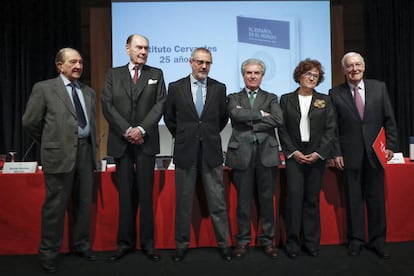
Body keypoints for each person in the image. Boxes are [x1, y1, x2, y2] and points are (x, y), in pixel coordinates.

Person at [22, 48, 98, 273]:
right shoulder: (44, 88)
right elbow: (29, 122)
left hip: (85, 153)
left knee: (83, 204)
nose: (78, 66)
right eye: (73, 62)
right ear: (59, 65)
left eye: (81, 62)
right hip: (59, 153)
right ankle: (48, 253)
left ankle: (81, 245)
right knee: (55, 207)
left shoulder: (89, 92)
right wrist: (49, 141)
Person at [101, 34, 166, 263]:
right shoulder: (113, 74)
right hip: (122, 142)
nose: (143, 51)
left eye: (146, 48)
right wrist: (127, 130)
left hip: (146, 142)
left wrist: (141, 129)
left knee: (146, 196)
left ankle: (148, 245)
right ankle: (124, 244)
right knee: (125, 197)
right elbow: (107, 104)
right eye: (139, 47)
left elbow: (160, 104)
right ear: (127, 48)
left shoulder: (156, 74)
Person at [164, 47, 232, 262]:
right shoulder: (176, 87)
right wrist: (186, 136)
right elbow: (169, 118)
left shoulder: (219, 88)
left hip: (211, 152)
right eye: (200, 62)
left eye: (208, 63)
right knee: (183, 203)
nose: (204, 66)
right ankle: (181, 246)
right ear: (191, 62)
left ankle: (224, 245)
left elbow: (222, 118)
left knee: (218, 203)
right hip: (186, 151)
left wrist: (206, 135)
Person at [329, 52, 398, 259]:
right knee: (353, 200)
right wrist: (336, 152)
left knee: (376, 200)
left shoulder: (379, 88)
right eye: (349, 66)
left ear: (364, 66)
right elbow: (332, 128)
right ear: (343, 70)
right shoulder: (335, 93)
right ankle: (356, 240)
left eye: (357, 64)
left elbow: (389, 120)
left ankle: (378, 241)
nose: (354, 69)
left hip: (375, 155)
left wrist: (391, 146)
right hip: (349, 156)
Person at [278, 59, 336, 259]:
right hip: (295, 155)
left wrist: (319, 153)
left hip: (316, 155)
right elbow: (282, 128)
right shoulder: (285, 99)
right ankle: (293, 243)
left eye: (316, 76)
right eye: (308, 74)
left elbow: (330, 129)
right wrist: (293, 151)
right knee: (294, 198)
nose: (312, 78)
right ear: (299, 76)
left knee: (311, 199)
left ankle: (311, 242)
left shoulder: (325, 100)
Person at [226, 58, 283, 259]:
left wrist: (248, 119)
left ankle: (268, 241)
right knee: (243, 203)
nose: (252, 76)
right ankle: (242, 241)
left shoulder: (272, 97)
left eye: (256, 73)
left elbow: (278, 119)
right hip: (241, 155)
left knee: (267, 201)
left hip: (266, 155)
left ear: (262, 75)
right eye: (249, 73)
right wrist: (260, 113)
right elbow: (235, 115)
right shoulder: (233, 97)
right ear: (243, 75)